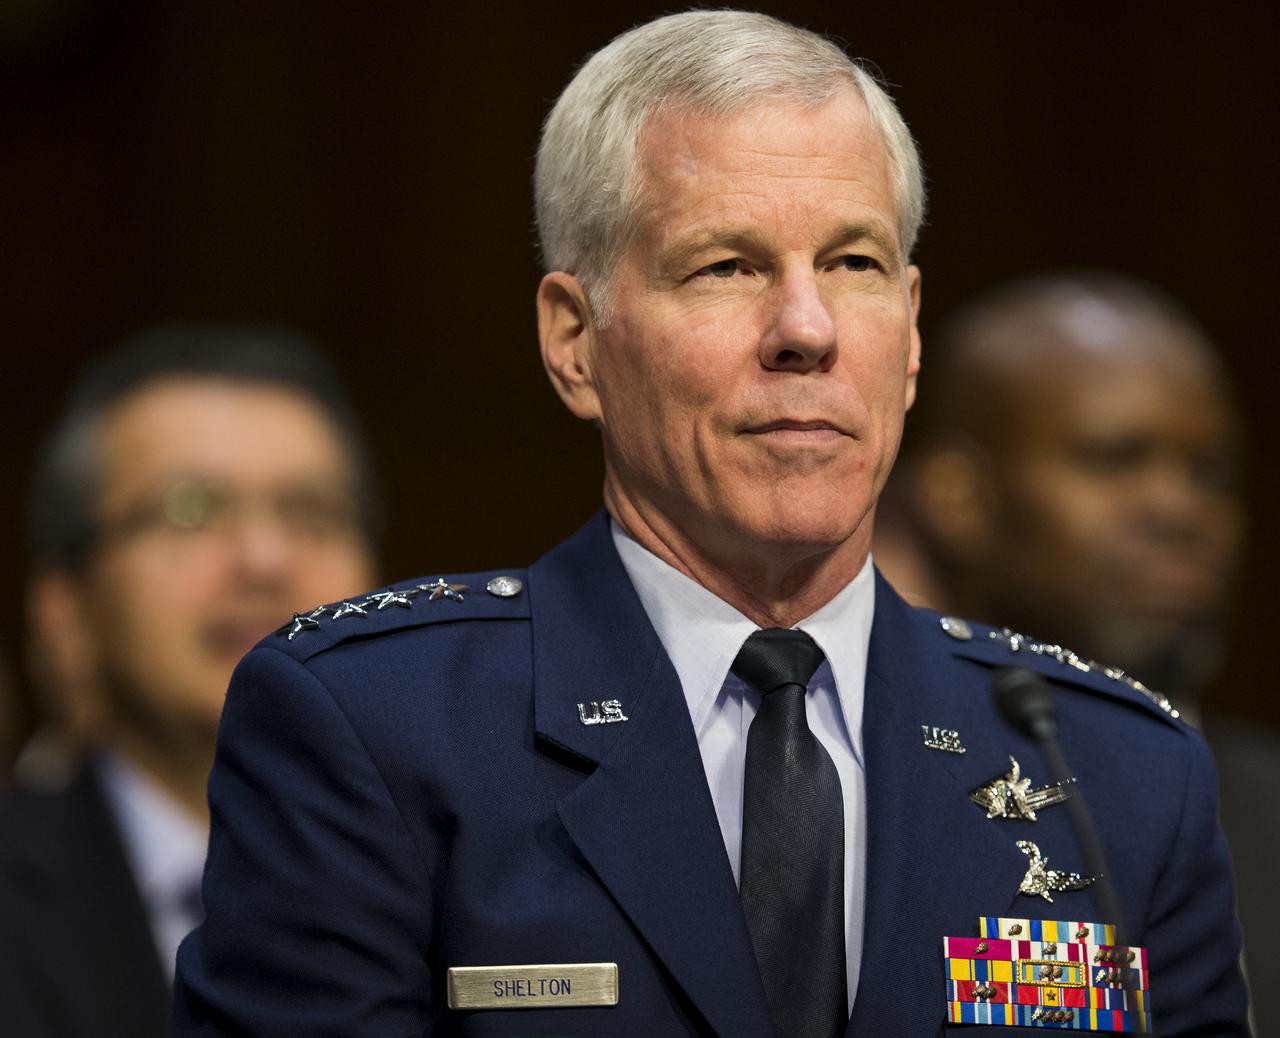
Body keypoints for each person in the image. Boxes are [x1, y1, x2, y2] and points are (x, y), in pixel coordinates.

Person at [173, 13, 1249, 1037]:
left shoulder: (1121, 775)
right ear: (574, 341)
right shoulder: (371, 731)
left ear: (910, 335)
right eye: (726, 266)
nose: (805, 329)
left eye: (852, 264)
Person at [873, 270, 1277, 1034]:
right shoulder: (867, 790)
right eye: (1113, 459)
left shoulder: (1270, 803)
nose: (1180, 510)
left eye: (1210, 473)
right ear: (961, 497)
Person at [0, 326, 379, 1038]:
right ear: (68, 613)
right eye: (192, 510)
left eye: (312, 514)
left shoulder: (483, 883)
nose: (265, 559)